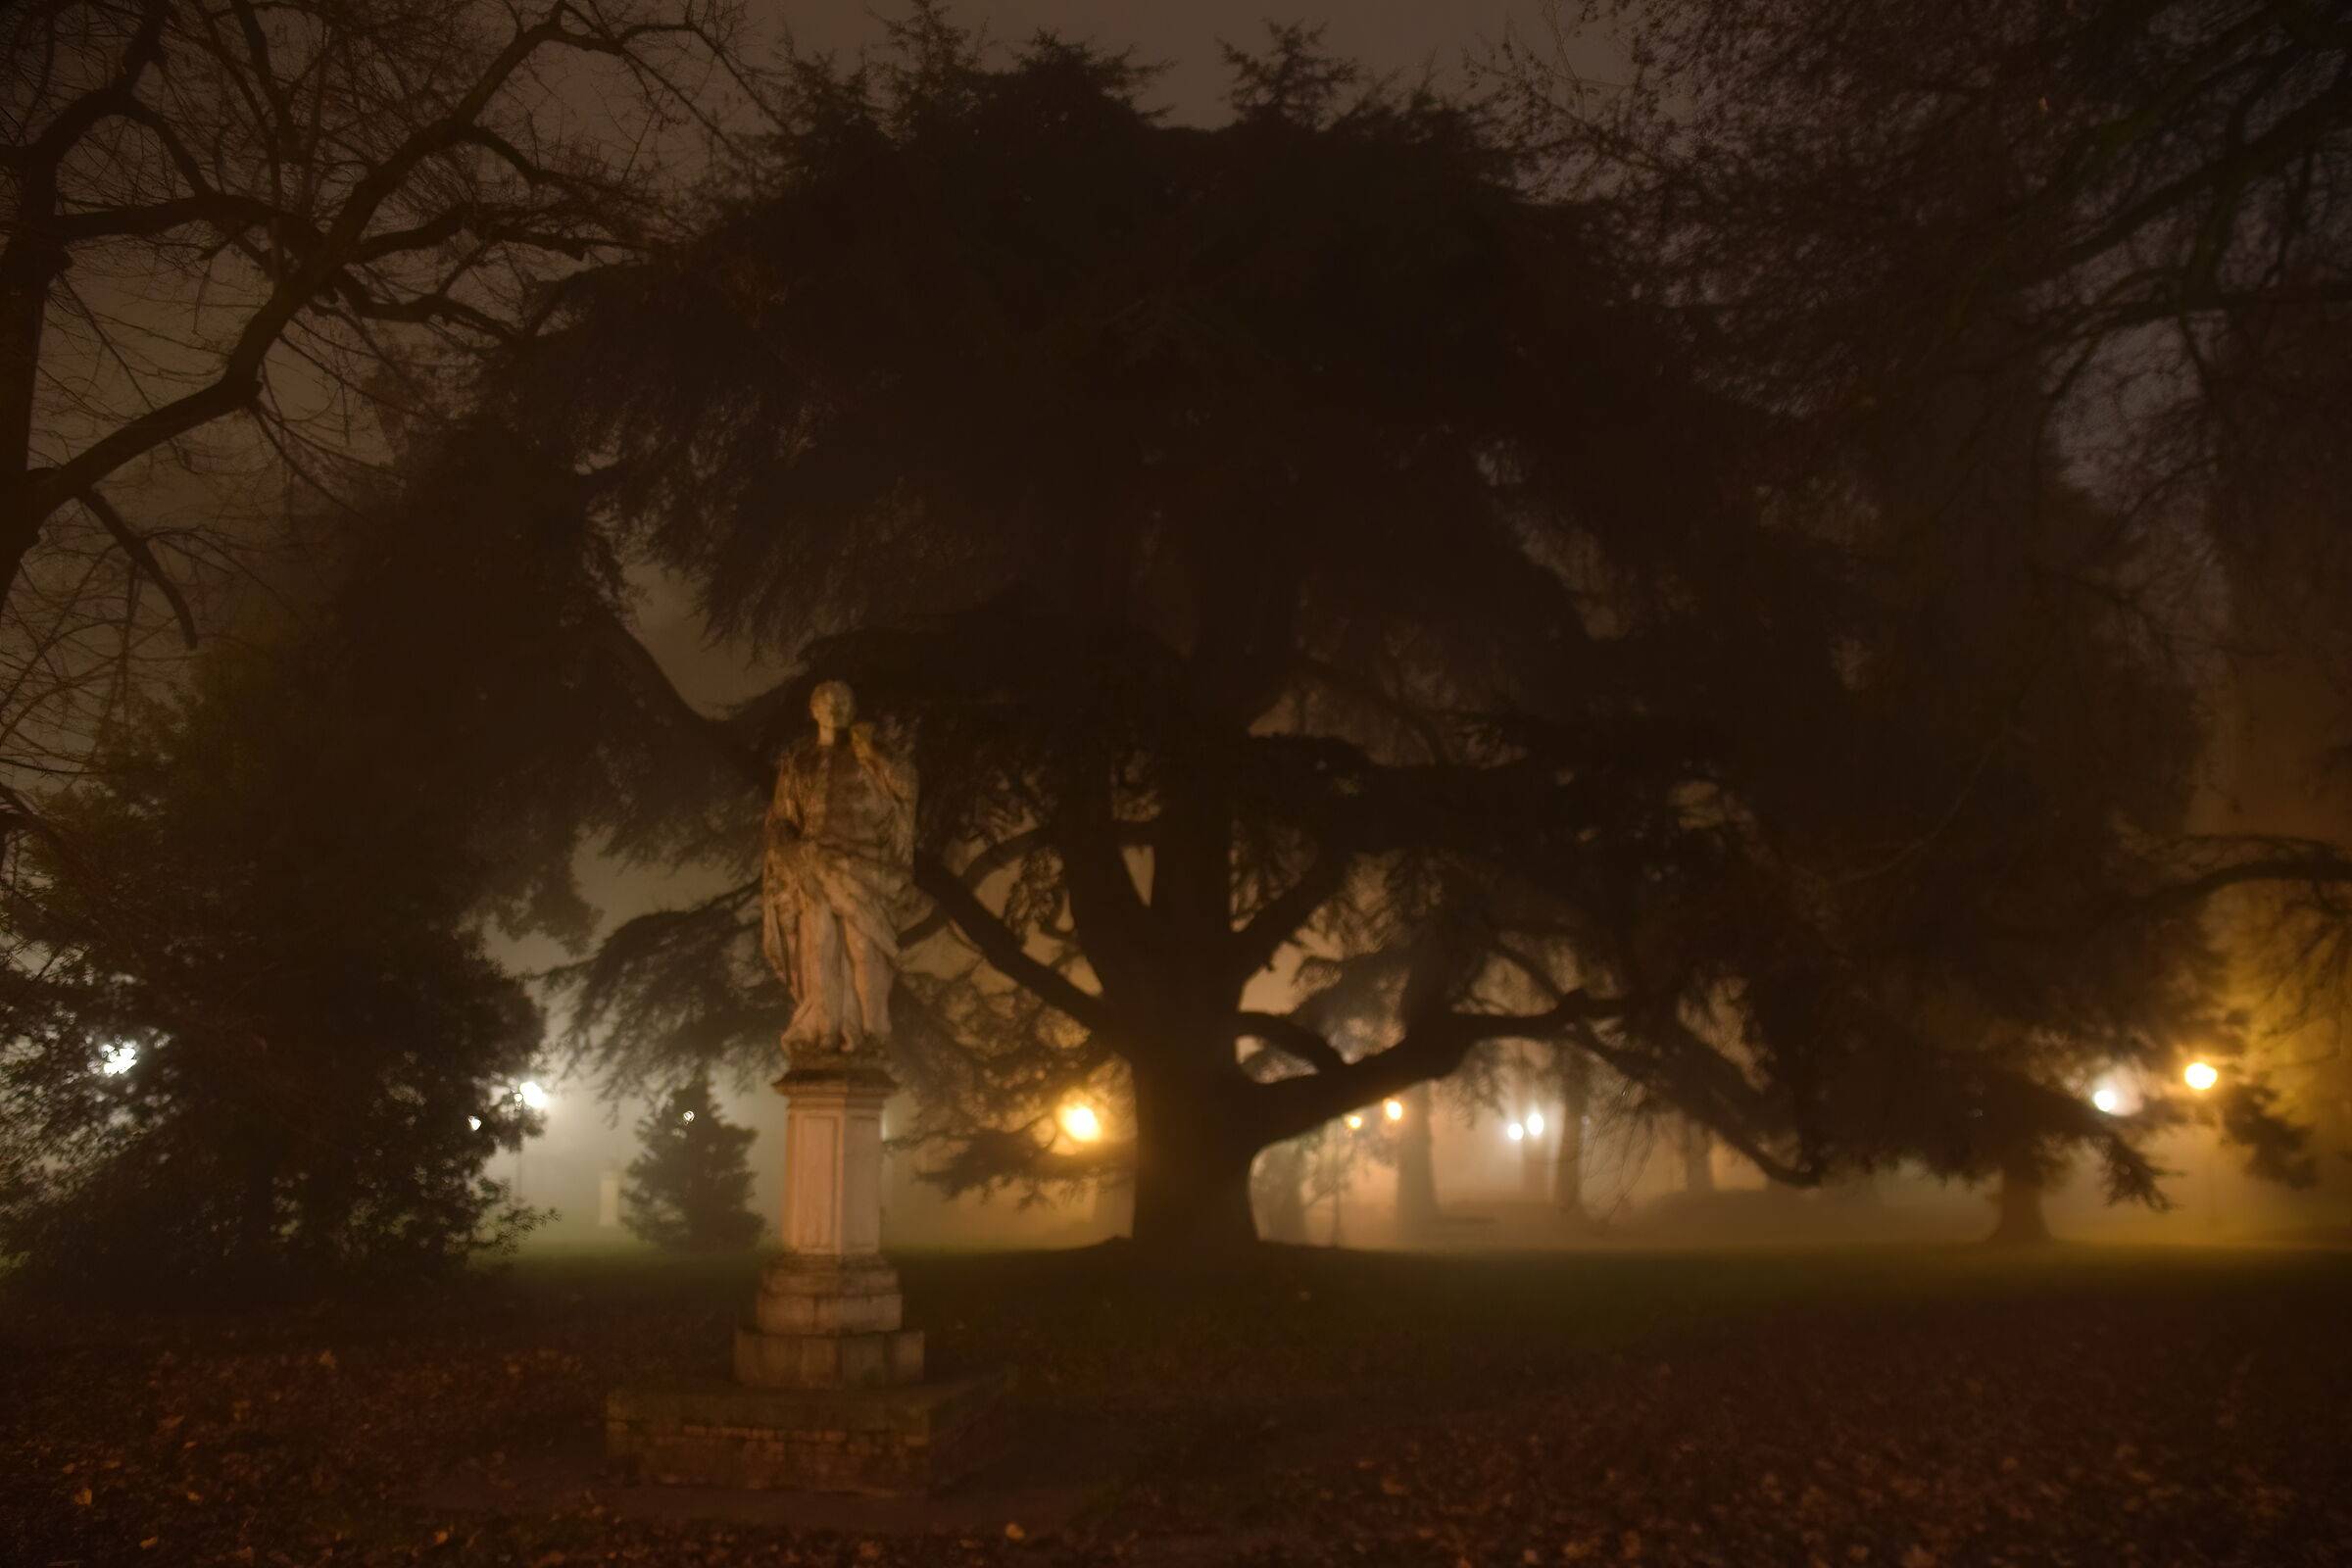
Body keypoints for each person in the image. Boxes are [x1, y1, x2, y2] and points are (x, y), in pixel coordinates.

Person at [760, 681, 917, 1055]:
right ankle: (827, 1033)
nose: (835, 710)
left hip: (865, 866)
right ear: (813, 709)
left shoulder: (869, 755)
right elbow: (781, 818)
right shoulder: (799, 763)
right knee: (821, 951)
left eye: (843, 702)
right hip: (814, 865)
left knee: (864, 951)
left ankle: (871, 1032)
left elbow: (907, 788)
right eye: (827, 704)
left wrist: (874, 752)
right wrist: (788, 849)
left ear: (853, 707)